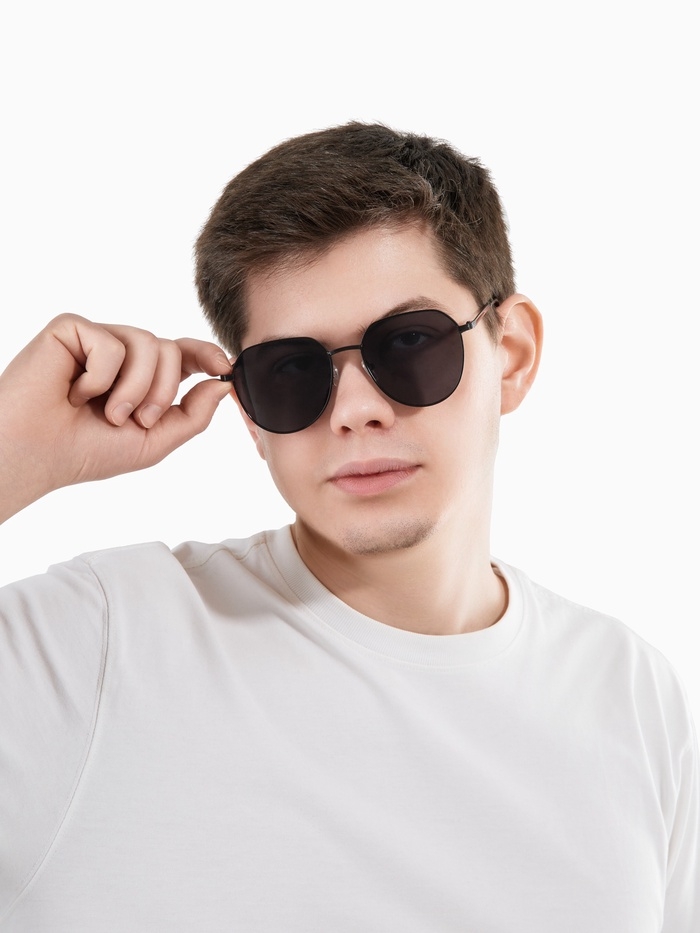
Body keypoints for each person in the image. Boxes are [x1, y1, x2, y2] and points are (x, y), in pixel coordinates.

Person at [0, 122, 697, 931]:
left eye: (408, 343)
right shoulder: (100, 645)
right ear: (249, 414)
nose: (356, 410)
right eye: (292, 371)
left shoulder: (630, 695)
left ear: (512, 353)